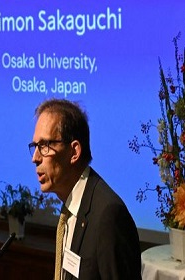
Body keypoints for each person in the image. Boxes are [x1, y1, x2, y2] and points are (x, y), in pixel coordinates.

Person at [29, 99, 141, 279]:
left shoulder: (109, 215)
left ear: (74, 152)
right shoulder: (71, 208)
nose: (35, 158)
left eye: (44, 146)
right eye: (35, 146)